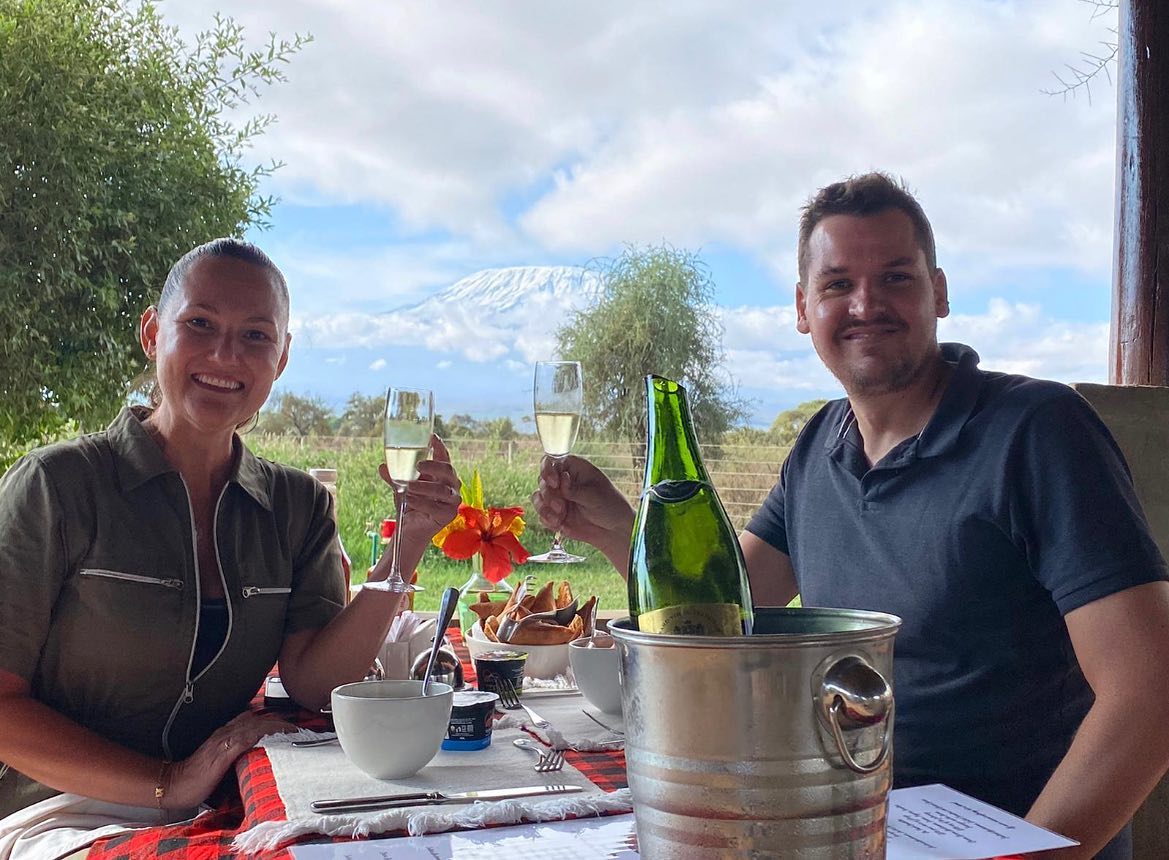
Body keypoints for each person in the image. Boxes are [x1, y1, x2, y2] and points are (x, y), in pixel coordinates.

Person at [532, 173, 1169, 860]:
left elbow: (1151, 691)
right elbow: (726, 623)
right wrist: (617, 530)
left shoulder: (1037, 432)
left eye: (895, 277)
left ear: (940, 292)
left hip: (1003, 840)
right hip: (846, 830)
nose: (866, 304)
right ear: (803, 308)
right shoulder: (819, 445)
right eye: (837, 284)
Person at [0, 239, 460, 855]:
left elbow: (316, 687)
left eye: (255, 336)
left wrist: (407, 546)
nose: (225, 354)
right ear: (151, 331)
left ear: (283, 357)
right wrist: (167, 783)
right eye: (200, 324)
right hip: (62, 815)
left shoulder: (298, 507)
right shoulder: (57, 486)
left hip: (229, 801)